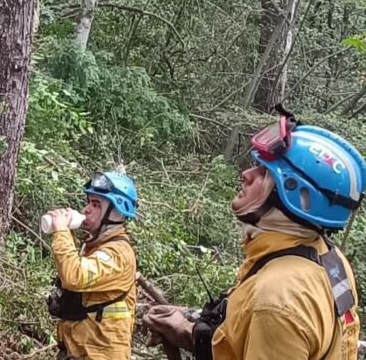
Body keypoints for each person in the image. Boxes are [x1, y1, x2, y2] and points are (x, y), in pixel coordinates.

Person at [143, 117, 364, 360]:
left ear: (295, 196)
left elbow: (277, 319)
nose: (246, 174)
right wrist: (189, 329)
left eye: (264, 172)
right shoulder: (328, 258)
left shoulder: (278, 297)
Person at [46, 171, 138, 360]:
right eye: (88, 202)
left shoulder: (119, 254)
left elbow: (74, 277)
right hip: (78, 352)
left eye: (96, 205)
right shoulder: (94, 246)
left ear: (116, 212)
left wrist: (62, 231)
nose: (86, 209)